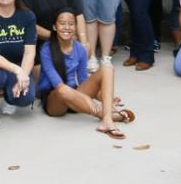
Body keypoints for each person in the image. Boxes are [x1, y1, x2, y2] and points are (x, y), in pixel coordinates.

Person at [38, 9, 135, 139]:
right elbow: (58, 85)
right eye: (62, 23)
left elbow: (83, 80)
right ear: (55, 27)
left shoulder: (80, 48)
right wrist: (87, 100)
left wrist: (101, 97)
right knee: (63, 90)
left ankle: (107, 119)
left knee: (107, 68)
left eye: (71, 24)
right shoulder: (46, 49)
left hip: (75, 95)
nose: (67, 27)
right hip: (55, 100)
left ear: (76, 27)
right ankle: (104, 114)